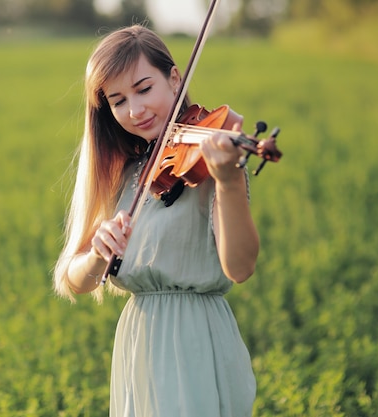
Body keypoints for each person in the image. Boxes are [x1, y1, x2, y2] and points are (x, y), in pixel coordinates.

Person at [53, 25, 258, 417]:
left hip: (196, 340)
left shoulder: (213, 164)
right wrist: (98, 251)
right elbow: (74, 279)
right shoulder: (124, 173)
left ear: (175, 78)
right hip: (138, 346)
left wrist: (229, 181)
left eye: (144, 89)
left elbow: (241, 266)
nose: (135, 110)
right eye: (118, 100)